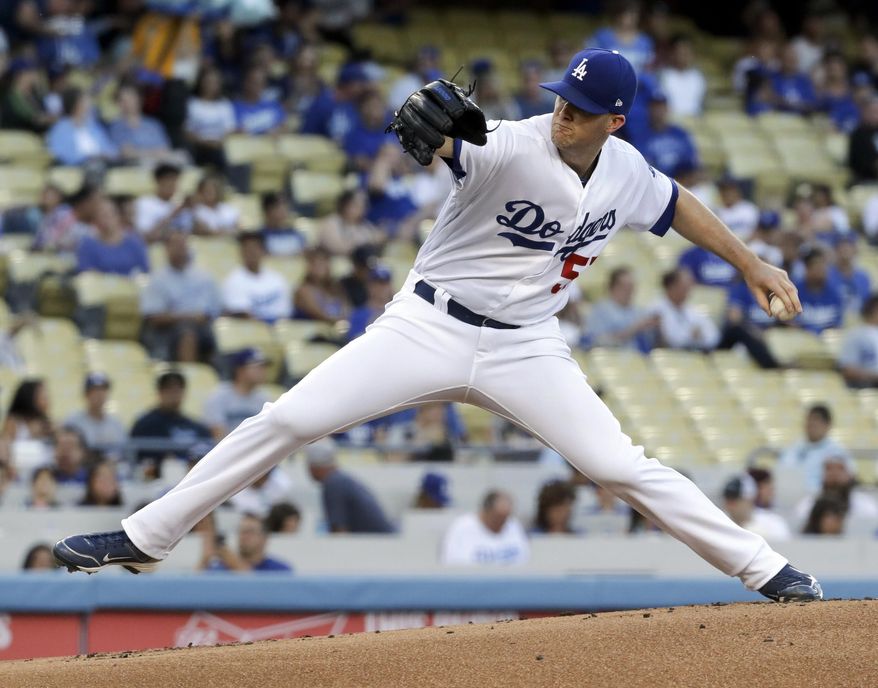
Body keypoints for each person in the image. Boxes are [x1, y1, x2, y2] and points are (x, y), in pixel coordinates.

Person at [54, 49, 821, 603]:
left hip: (529, 346)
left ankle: (770, 572)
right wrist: (432, 133)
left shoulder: (624, 168)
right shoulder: (511, 145)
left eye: (582, 110)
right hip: (427, 325)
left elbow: (677, 202)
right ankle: (147, 536)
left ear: (614, 122)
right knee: (289, 417)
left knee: (620, 467)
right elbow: (457, 145)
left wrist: (750, 263)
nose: (563, 112)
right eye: (560, 98)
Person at [141, 232, 221, 362]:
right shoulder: (158, 279)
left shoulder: (204, 277)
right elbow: (153, 317)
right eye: (175, 245)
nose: (180, 249)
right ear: (166, 249)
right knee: (187, 332)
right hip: (167, 332)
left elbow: (214, 310)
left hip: (204, 329)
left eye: (183, 245)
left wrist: (201, 317)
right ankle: (189, 374)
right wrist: (188, 317)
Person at [129, 371, 212, 479]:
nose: (174, 395)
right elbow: (139, 460)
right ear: (160, 392)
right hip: (157, 480)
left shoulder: (196, 427)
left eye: (177, 390)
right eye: (169, 390)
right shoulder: (145, 425)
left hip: (193, 476)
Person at [306, 439, 395, 534]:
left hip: (377, 544)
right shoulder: (340, 479)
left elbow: (339, 531)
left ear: (314, 467)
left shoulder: (334, 484)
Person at [441, 490, 530, 565]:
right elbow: (450, 564)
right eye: (498, 518)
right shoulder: (462, 527)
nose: (502, 523)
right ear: (486, 512)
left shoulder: (513, 525)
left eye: (506, 518)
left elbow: (525, 560)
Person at [779, 404, 855, 491]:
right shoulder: (792, 450)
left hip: (825, 500)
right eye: (809, 421)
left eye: (816, 422)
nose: (811, 426)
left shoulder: (838, 452)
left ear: (827, 425)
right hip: (793, 498)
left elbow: (848, 479)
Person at [222, 231, 292, 323]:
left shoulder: (277, 279)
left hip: (277, 330)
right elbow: (241, 314)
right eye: (247, 249)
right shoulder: (233, 280)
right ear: (241, 252)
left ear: (263, 251)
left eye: (256, 248)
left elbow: (284, 314)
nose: (252, 253)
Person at [204, 348, 271, 441]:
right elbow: (218, 435)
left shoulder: (262, 398)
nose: (263, 371)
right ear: (240, 370)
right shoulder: (219, 395)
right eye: (258, 367)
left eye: (263, 367)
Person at [583, 266, 658, 351]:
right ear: (613, 287)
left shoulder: (639, 312)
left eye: (632, 287)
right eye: (625, 287)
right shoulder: (601, 310)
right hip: (611, 359)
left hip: (636, 360)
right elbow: (597, 342)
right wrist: (634, 328)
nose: (629, 291)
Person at [794, 456, 878, 529]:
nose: (834, 474)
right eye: (828, 469)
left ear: (851, 475)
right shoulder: (807, 505)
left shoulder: (866, 505)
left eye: (840, 469)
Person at [631, 90, 698, 179]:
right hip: (655, 182)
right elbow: (643, 165)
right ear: (648, 110)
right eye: (654, 107)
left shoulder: (680, 133)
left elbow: (691, 160)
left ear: (667, 108)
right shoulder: (640, 136)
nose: (658, 111)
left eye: (661, 107)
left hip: (682, 180)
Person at [76, 198, 149, 276]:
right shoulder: (87, 245)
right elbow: (87, 274)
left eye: (109, 215)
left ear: (118, 216)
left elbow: (144, 272)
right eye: (102, 216)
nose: (106, 220)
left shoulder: (134, 243)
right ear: (95, 220)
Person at [652, 267, 720, 351]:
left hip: (694, 355)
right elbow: (672, 340)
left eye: (689, 286)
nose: (689, 290)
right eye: (684, 286)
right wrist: (690, 335)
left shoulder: (692, 310)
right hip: (670, 356)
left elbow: (713, 336)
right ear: (672, 286)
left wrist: (698, 336)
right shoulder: (656, 308)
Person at [46, 87, 118, 166]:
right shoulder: (60, 129)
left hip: (102, 164)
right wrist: (88, 157)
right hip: (77, 169)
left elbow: (109, 148)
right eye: (85, 101)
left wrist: (110, 154)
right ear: (76, 105)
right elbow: (60, 155)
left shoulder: (93, 126)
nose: (89, 105)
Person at [199, 513, 293, 572]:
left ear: (265, 538)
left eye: (250, 531)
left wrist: (234, 562)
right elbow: (196, 589)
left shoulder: (279, 570)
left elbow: (260, 591)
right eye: (241, 531)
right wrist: (205, 559)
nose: (244, 536)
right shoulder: (223, 565)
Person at [64, 373, 127, 458]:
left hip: (112, 467)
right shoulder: (73, 422)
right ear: (86, 394)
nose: (100, 395)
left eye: (103, 390)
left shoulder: (116, 423)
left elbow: (123, 452)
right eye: (95, 391)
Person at [185, 66, 236, 169]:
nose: (210, 85)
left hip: (220, 146)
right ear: (200, 82)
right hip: (199, 146)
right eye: (207, 81)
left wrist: (219, 142)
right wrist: (204, 143)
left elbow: (230, 129)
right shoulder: (192, 104)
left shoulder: (224, 104)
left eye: (214, 82)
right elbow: (187, 132)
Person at [108, 82, 173, 163]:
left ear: (139, 100)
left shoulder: (154, 124)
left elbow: (165, 151)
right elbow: (125, 153)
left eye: (131, 99)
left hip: (159, 167)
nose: (128, 103)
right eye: (123, 100)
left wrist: (138, 152)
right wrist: (154, 153)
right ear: (118, 103)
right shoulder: (115, 126)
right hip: (132, 169)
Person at [134, 163, 194, 242]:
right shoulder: (144, 203)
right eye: (169, 180)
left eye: (175, 180)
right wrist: (172, 214)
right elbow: (146, 237)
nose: (173, 184)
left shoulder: (180, 205)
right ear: (158, 181)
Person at [722, 474, 791, 543]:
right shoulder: (720, 523)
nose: (730, 505)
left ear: (750, 500)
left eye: (735, 500)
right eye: (727, 499)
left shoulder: (773, 524)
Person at [317, 189, 384, 256]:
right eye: (357, 205)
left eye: (364, 205)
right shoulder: (331, 223)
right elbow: (337, 248)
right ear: (345, 205)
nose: (362, 208)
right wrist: (364, 244)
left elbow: (377, 241)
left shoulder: (366, 225)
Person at [793, 247, 844, 334]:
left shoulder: (834, 292)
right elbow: (789, 322)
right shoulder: (795, 291)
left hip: (827, 341)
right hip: (800, 339)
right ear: (807, 269)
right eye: (816, 266)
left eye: (823, 265)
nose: (821, 269)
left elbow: (837, 324)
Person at [292, 246, 347, 324]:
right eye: (315, 263)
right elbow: (319, 315)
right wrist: (341, 322)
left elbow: (346, 310)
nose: (319, 267)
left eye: (323, 262)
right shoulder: (303, 290)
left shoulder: (336, 288)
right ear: (308, 266)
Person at [658, 35, 706, 117]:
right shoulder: (663, 76)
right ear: (672, 53)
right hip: (671, 121)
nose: (684, 56)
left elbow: (701, 105)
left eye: (687, 52)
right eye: (680, 52)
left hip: (694, 121)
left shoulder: (698, 77)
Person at [233, 66, 286, 136]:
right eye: (253, 82)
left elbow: (284, 126)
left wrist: (278, 131)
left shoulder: (274, 106)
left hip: (270, 145)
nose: (256, 86)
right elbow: (232, 130)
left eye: (260, 83)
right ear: (245, 83)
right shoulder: (234, 108)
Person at [839, 295, 878, 388]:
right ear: (872, 311)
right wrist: (874, 376)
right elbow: (848, 371)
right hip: (867, 385)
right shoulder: (856, 335)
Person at [347, 265, 394, 340]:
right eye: (376, 283)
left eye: (384, 283)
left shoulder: (396, 313)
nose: (380, 288)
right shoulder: (358, 314)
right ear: (369, 286)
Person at [2, 378, 53, 445]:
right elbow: (5, 445)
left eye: (47, 396)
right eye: (43, 396)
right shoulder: (13, 422)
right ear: (29, 398)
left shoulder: (47, 423)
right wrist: (30, 433)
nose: (47, 400)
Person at [830, 235, 871, 316]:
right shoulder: (827, 275)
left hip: (860, 320)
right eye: (841, 246)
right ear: (835, 250)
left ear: (855, 250)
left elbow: (868, 304)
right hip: (834, 320)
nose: (845, 249)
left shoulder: (863, 277)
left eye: (849, 246)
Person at [714, 176, 759, 241]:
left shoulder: (749, 209)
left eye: (730, 189)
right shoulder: (716, 211)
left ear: (737, 190)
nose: (727, 193)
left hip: (749, 246)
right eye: (723, 190)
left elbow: (758, 232)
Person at [261, 192, 306, 257]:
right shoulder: (259, 237)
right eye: (278, 206)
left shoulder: (298, 236)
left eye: (286, 206)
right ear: (268, 210)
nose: (283, 210)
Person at [848, 97, 878, 182]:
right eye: (873, 112)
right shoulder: (860, 135)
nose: (876, 115)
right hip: (865, 182)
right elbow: (874, 164)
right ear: (864, 113)